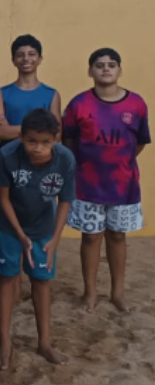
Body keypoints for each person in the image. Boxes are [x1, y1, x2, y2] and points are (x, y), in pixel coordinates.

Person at [63, 48, 150, 313]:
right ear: (90, 71)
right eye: (99, 65)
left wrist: (118, 162)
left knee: (117, 236)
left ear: (119, 70)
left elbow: (140, 143)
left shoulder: (136, 104)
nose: (105, 69)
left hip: (124, 186)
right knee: (90, 238)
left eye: (111, 64)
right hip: (88, 186)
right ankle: (90, 293)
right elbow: (68, 142)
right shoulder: (79, 104)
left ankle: (117, 293)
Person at [0, 109, 76, 370]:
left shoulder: (65, 160)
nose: (38, 148)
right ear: (21, 137)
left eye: (45, 142)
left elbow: (65, 201)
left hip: (43, 228)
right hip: (9, 225)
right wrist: (19, 233)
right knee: (7, 277)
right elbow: (3, 198)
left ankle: (45, 342)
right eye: (31, 141)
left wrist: (55, 239)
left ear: (55, 139)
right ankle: (4, 342)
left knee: (41, 281)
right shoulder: (7, 155)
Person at [0, 34, 61, 146]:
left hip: (41, 159)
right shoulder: (2, 93)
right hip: (9, 158)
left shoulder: (51, 94)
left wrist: (9, 129)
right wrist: (42, 129)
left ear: (40, 59)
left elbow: (57, 134)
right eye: (20, 55)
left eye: (31, 54)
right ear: (13, 60)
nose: (26, 59)